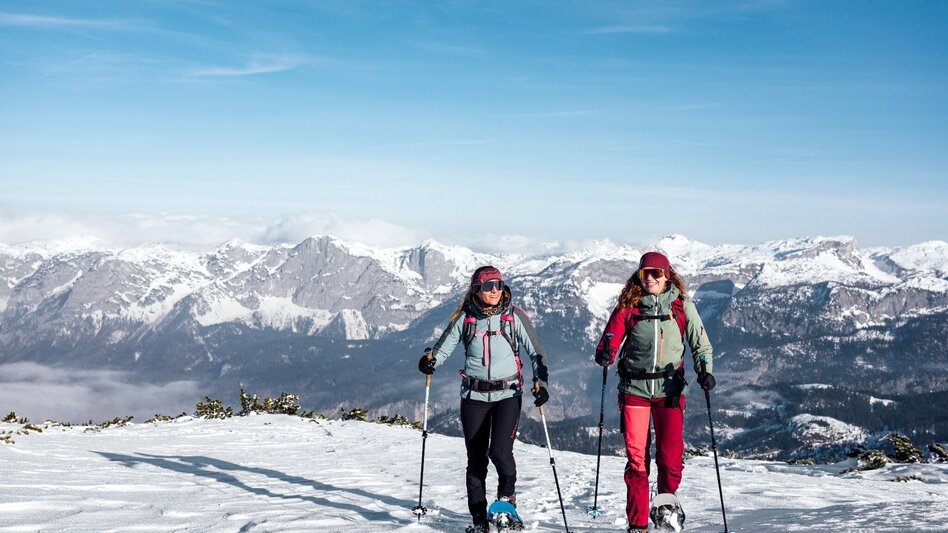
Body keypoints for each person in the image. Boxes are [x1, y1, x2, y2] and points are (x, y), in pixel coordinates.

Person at [418, 265, 550, 533]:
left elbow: (537, 352)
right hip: (473, 396)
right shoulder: (465, 319)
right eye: (488, 286)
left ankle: (505, 502)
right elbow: (441, 349)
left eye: (498, 285)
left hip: (508, 395)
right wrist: (430, 361)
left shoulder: (514, 317)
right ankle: (479, 520)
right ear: (476, 290)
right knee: (476, 460)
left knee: (500, 452)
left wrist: (541, 383)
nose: (494, 290)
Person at [594, 251, 715, 533]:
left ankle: (665, 506)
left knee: (671, 458)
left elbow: (701, 343)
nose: (649, 278)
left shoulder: (682, 306)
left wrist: (705, 370)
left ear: (666, 276)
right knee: (637, 461)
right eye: (644, 273)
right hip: (634, 390)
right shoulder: (629, 305)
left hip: (670, 391)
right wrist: (606, 353)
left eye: (655, 273)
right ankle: (638, 524)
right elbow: (610, 337)